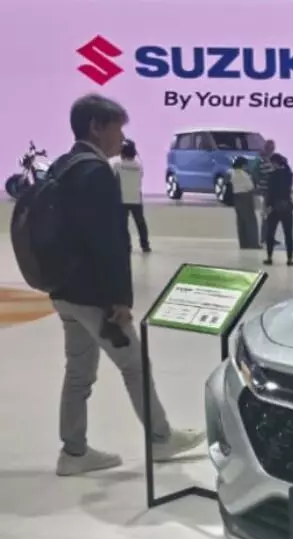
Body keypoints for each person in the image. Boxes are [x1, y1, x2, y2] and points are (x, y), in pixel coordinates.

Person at [50, 94, 203, 476]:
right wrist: (118, 298)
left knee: (78, 372)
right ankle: (161, 438)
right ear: (96, 127)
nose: (122, 137)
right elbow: (108, 241)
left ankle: (73, 452)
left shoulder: (62, 166)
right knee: (134, 365)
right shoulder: (96, 172)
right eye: (117, 128)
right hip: (94, 296)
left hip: (64, 291)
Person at [111, 139, 150, 253]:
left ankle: (127, 246)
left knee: (123, 225)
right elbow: (141, 177)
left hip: (122, 199)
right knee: (140, 223)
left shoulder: (116, 164)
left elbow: (112, 177)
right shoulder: (138, 165)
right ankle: (145, 245)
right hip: (136, 197)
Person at [263, 152, 293, 266]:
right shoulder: (289, 174)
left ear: (274, 163)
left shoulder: (272, 176)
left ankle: (269, 257)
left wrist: (267, 206)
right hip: (286, 207)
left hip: (274, 208)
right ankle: (290, 259)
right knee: (288, 234)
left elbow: (270, 193)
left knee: (270, 233)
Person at [229, 156, 259, 249]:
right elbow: (250, 187)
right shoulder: (244, 175)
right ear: (243, 165)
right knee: (250, 221)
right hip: (246, 197)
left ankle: (243, 243)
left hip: (236, 197)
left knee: (240, 221)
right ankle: (253, 243)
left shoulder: (231, 173)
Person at [253, 139, 277, 246]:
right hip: (267, 191)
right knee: (267, 215)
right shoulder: (263, 161)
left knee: (269, 215)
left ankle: (268, 237)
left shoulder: (266, 160)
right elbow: (267, 174)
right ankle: (265, 237)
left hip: (267, 190)